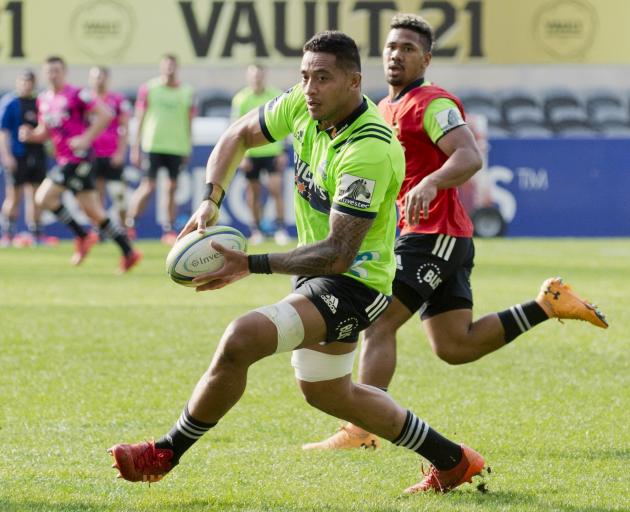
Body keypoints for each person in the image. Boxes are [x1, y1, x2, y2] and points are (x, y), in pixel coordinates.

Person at [109, 31, 485, 494]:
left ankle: (166, 451)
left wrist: (250, 264)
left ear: (353, 82)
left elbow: (337, 253)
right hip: (318, 277)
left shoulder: (369, 147)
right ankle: (452, 460)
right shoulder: (302, 106)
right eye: (305, 76)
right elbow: (238, 135)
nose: (310, 88)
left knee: (241, 338)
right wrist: (210, 200)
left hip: (355, 285)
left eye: (322, 78)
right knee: (329, 393)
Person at [303, 13, 608, 453]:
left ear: (425, 58)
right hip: (427, 236)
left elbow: (468, 155)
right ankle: (546, 305)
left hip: (433, 233)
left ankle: (361, 428)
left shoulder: (433, 103)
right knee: (454, 346)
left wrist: (431, 182)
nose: (396, 55)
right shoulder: (378, 109)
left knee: (380, 321)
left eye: (408, 48)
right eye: (391, 47)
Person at [19, 56, 141, 272]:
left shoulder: (76, 94)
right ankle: (129, 252)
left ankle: (82, 236)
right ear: (44, 73)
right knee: (94, 212)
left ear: (64, 72)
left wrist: (86, 138)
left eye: (57, 70)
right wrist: (31, 135)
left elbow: (105, 114)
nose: (53, 74)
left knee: (43, 197)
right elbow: (45, 131)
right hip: (65, 158)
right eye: (49, 71)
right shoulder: (43, 99)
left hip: (79, 158)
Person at [126, 54, 194, 245]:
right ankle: (130, 224)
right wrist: (135, 147)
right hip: (153, 144)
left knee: (172, 188)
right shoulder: (150, 88)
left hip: (176, 146)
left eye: (173, 66)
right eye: (166, 66)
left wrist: (188, 146)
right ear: (161, 67)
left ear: (177, 67)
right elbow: (139, 118)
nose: (169, 69)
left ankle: (169, 229)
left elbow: (189, 121)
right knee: (148, 186)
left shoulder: (186, 91)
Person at [231, 63, 290, 245]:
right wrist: (242, 155)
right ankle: (256, 230)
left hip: (272, 150)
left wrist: (282, 151)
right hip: (251, 154)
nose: (257, 78)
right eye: (253, 75)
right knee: (253, 193)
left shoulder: (275, 96)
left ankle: (280, 228)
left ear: (264, 76)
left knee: (276, 189)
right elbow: (235, 129)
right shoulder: (241, 99)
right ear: (249, 77)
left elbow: (284, 124)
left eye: (259, 75)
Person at [0, 70, 48, 246]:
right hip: (17, 155)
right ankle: (8, 233)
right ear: (17, 83)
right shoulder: (10, 102)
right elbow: (3, 132)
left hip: (37, 154)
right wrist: (6, 156)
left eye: (29, 82)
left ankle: (36, 232)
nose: (26, 85)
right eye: (23, 81)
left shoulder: (40, 102)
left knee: (36, 195)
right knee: (14, 195)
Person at [88, 66, 132, 227]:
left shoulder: (117, 100)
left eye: (101, 76)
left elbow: (125, 128)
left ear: (107, 79)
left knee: (119, 195)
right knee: (96, 195)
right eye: (95, 77)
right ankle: (100, 230)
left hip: (112, 154)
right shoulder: (86, 100)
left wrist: (121, 152)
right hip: (92, 154)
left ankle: (125, 228)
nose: (98, 80)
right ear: (90, 79)